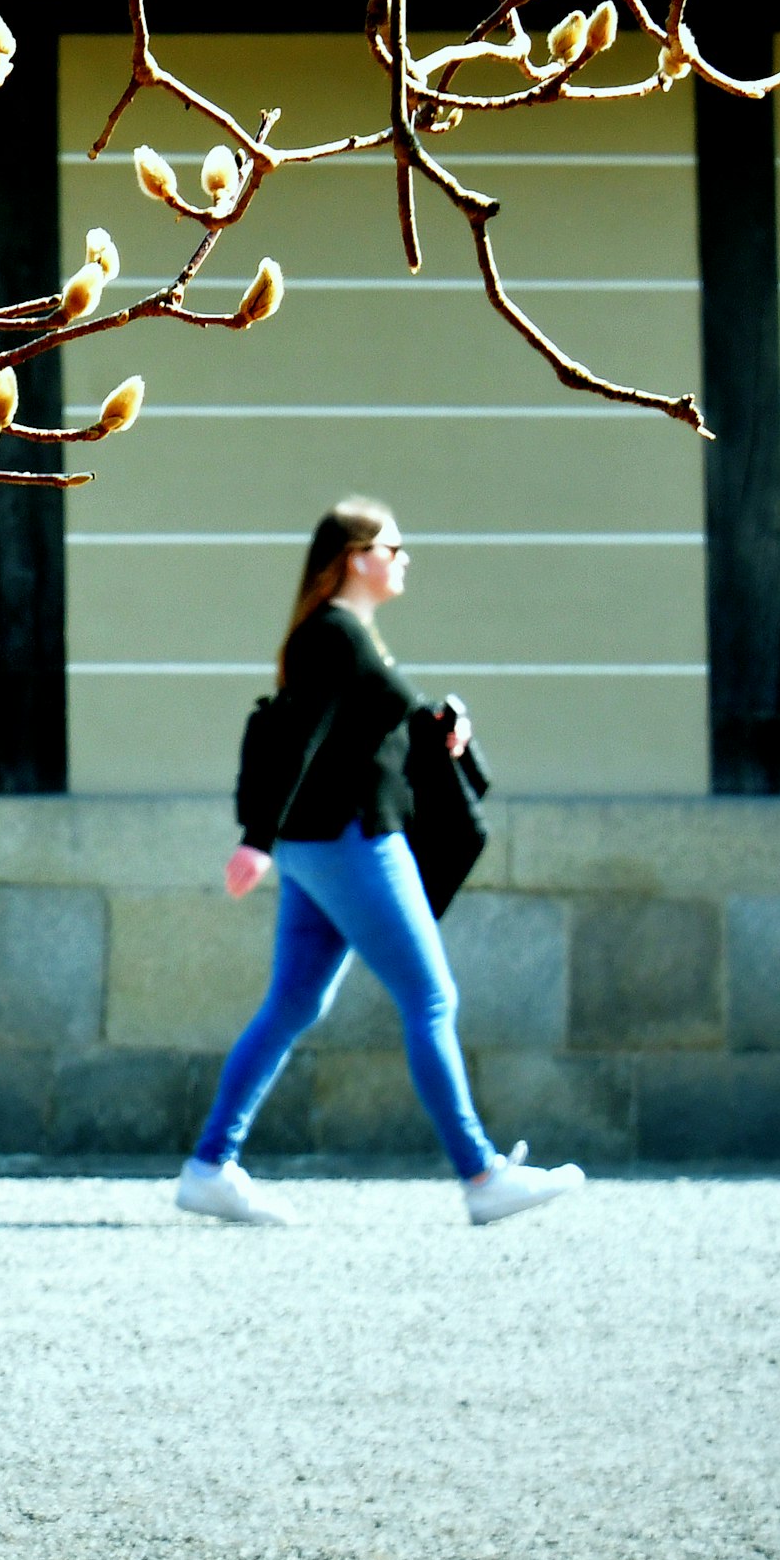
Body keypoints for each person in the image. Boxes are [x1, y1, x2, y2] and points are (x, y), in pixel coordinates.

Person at [174, 497, 587, 1231]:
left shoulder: (342, 633)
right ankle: (483, 1174)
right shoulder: (335, 633)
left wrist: (432, 725)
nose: (403, 560)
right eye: (392, 548)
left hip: (323, 843)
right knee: (431, 998)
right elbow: (303, 736)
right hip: (350, 839)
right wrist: (256, 839)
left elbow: (353, 733)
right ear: (355, 556)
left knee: (295, 1004)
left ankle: (210, 1168)